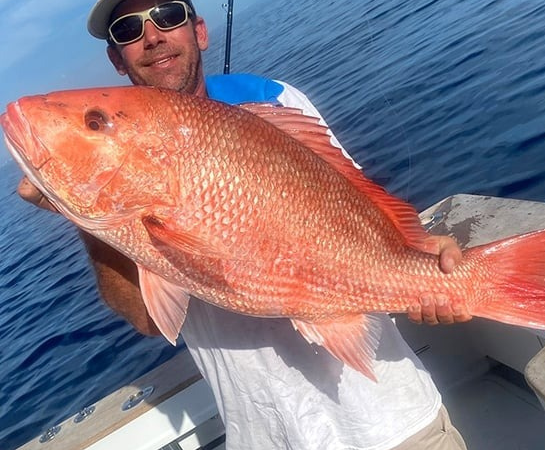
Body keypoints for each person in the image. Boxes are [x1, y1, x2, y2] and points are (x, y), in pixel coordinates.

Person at [18, 0, 472, 448]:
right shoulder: (130, 184)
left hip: (393, 424)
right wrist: (79, 210)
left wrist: (421, 259)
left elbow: (360, 212)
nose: (152, 35)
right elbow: (147, 317)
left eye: (167, 15)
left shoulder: (275, 102)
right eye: (128, 30)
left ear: (198, 31)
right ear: (118, 59)